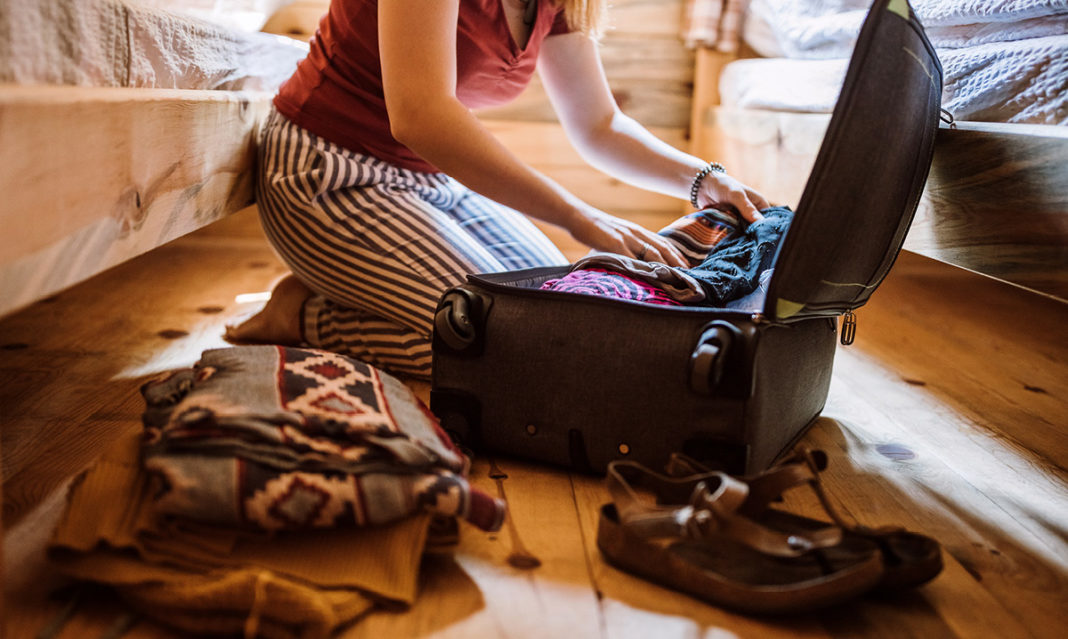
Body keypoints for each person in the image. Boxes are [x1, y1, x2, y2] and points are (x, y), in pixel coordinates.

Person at [226, 0, 770, 379]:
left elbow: (599, 123)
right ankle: (305, 317)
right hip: (327, 171)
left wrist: (702, 177)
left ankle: (343, 291)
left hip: (431, 181)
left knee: (562, 321)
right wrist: (578, 216)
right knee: (517, 351)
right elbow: (421, 116)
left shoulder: (557, 2)